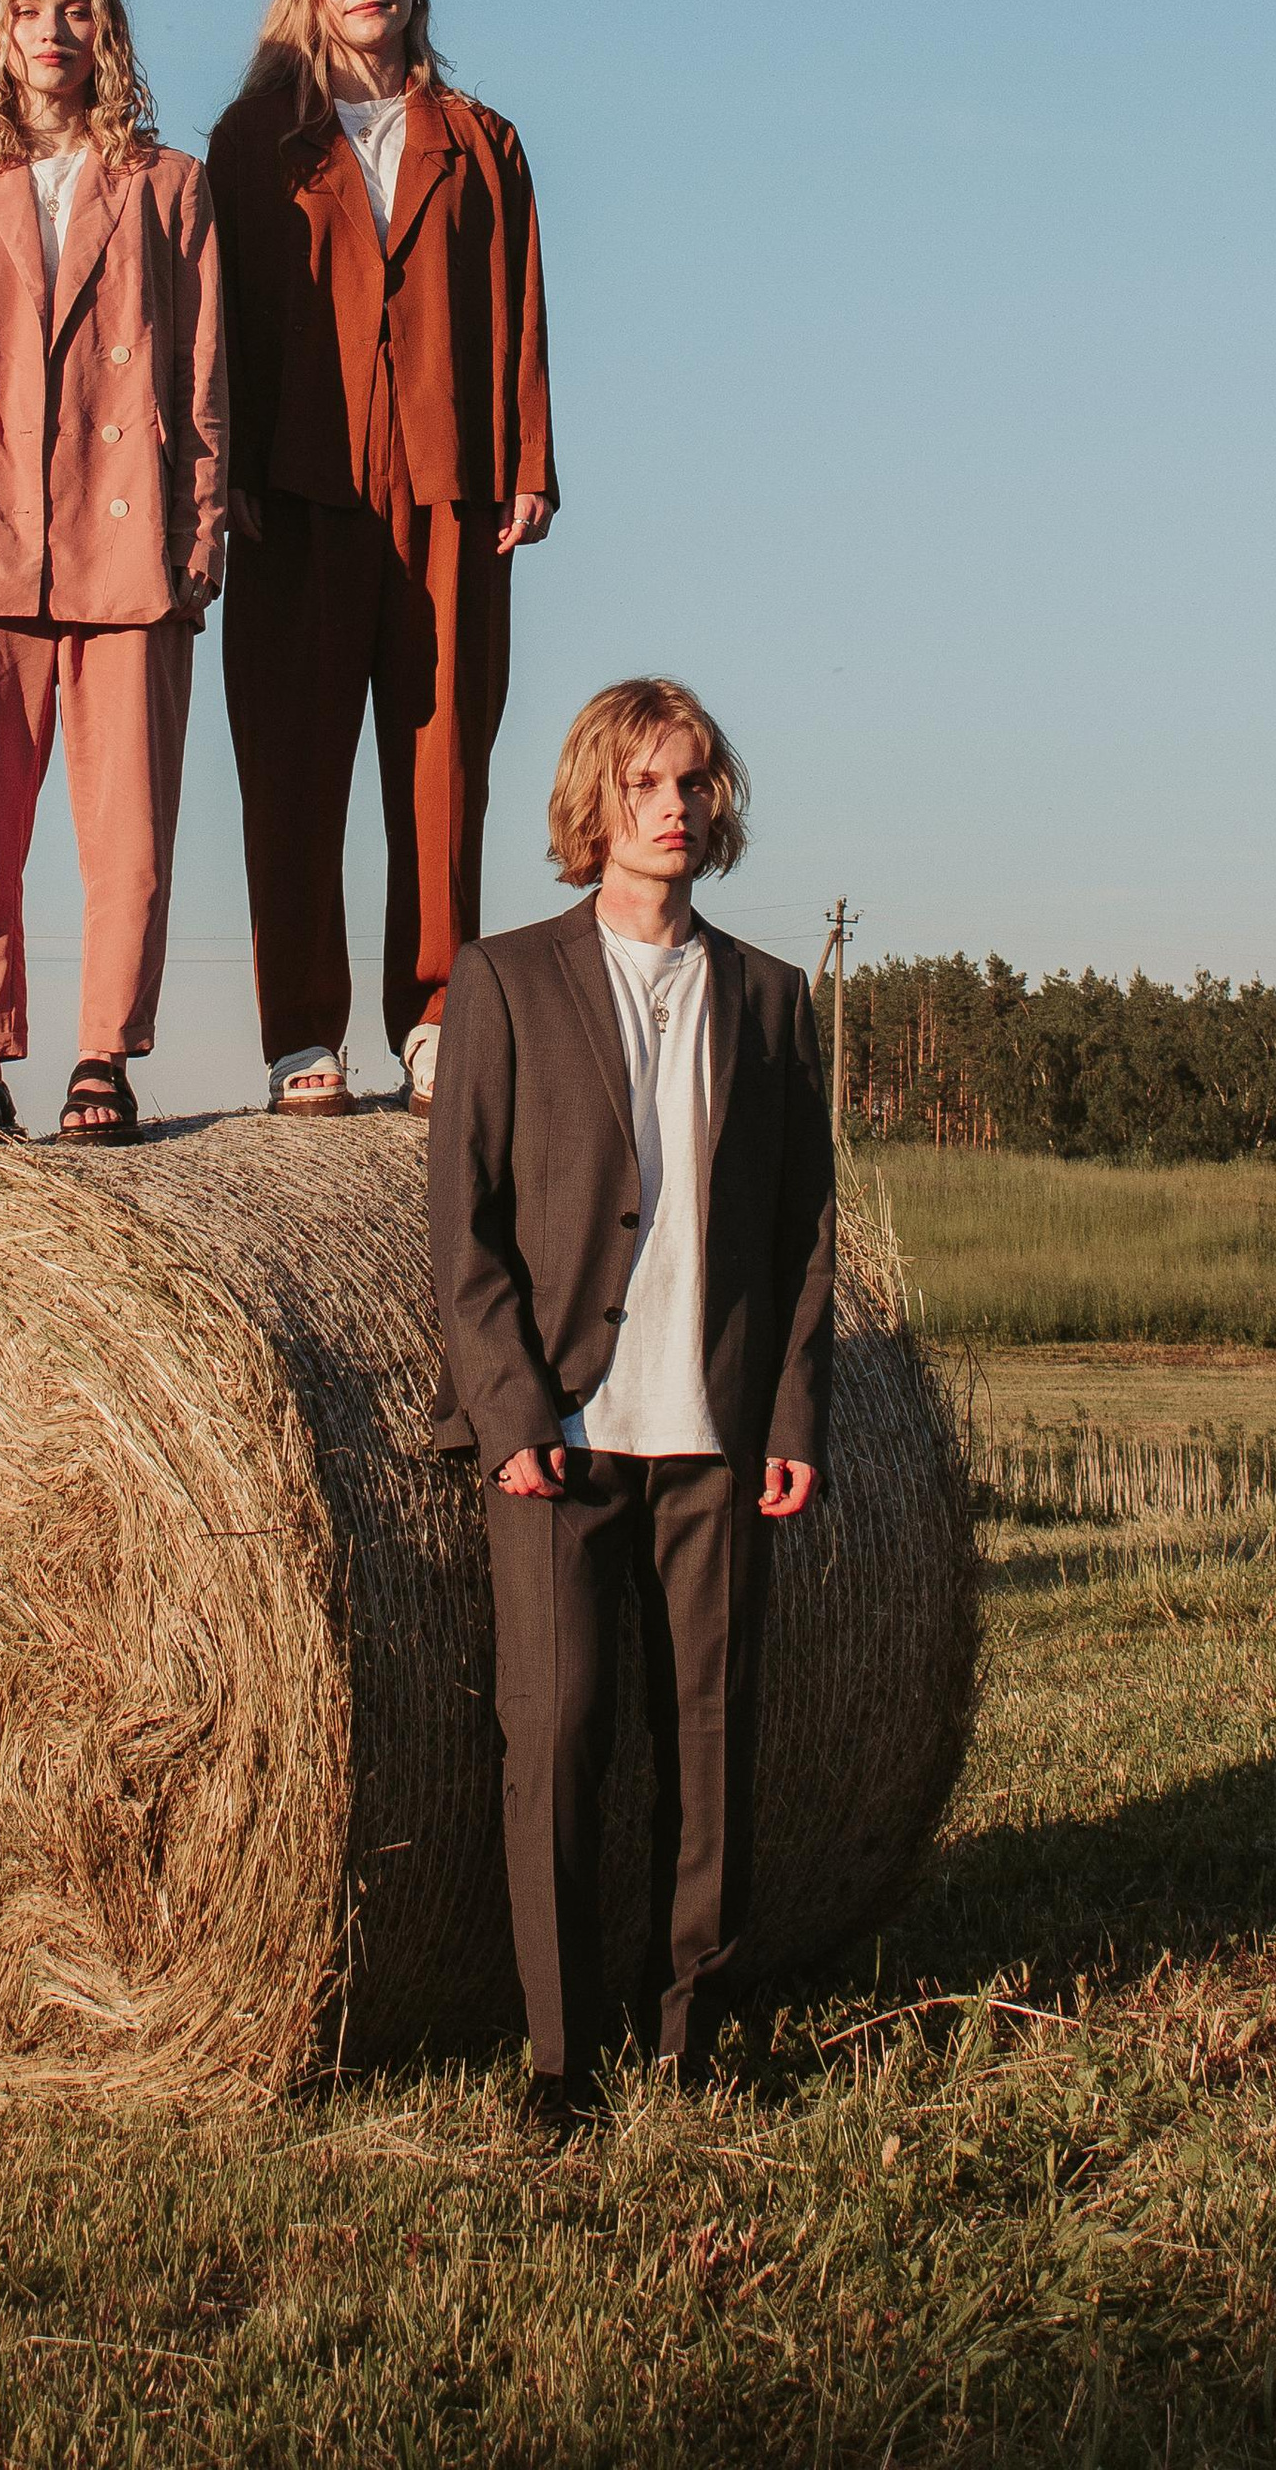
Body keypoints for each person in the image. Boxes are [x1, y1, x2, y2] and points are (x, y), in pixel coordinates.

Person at [426, 677, 836, 2122]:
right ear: (596, 802)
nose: (676, 806)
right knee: (561, 1731)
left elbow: (802, 1238)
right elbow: (463, 1227)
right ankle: (559, 2054)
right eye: (650, 782)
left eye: (697, 784)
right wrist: (510, 1411)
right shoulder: (506, 981)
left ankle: (694, 2032)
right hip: (565, 1439)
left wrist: (792, 1420)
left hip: (715, 1438)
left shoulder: (776, 1002)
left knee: (710, 1737)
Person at [208, 0, 555, 1118]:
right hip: (293, 496)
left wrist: (529, 463)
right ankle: (303, 1036)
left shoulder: (484, 140)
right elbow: (224, 317)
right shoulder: (253, 141)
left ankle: (436, 1020)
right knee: (292, 775)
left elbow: (518, 307)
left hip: (450, 491)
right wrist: (225, 470)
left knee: (442, 767)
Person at [0, 0, 226, 1144]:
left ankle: (102, 1060)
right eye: (31, 10)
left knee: (127, 832)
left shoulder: (168, 185)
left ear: (106, 32)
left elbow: (201, 376)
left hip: (128, 547)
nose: (54, 31)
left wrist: (201, 536)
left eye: (77, 11)